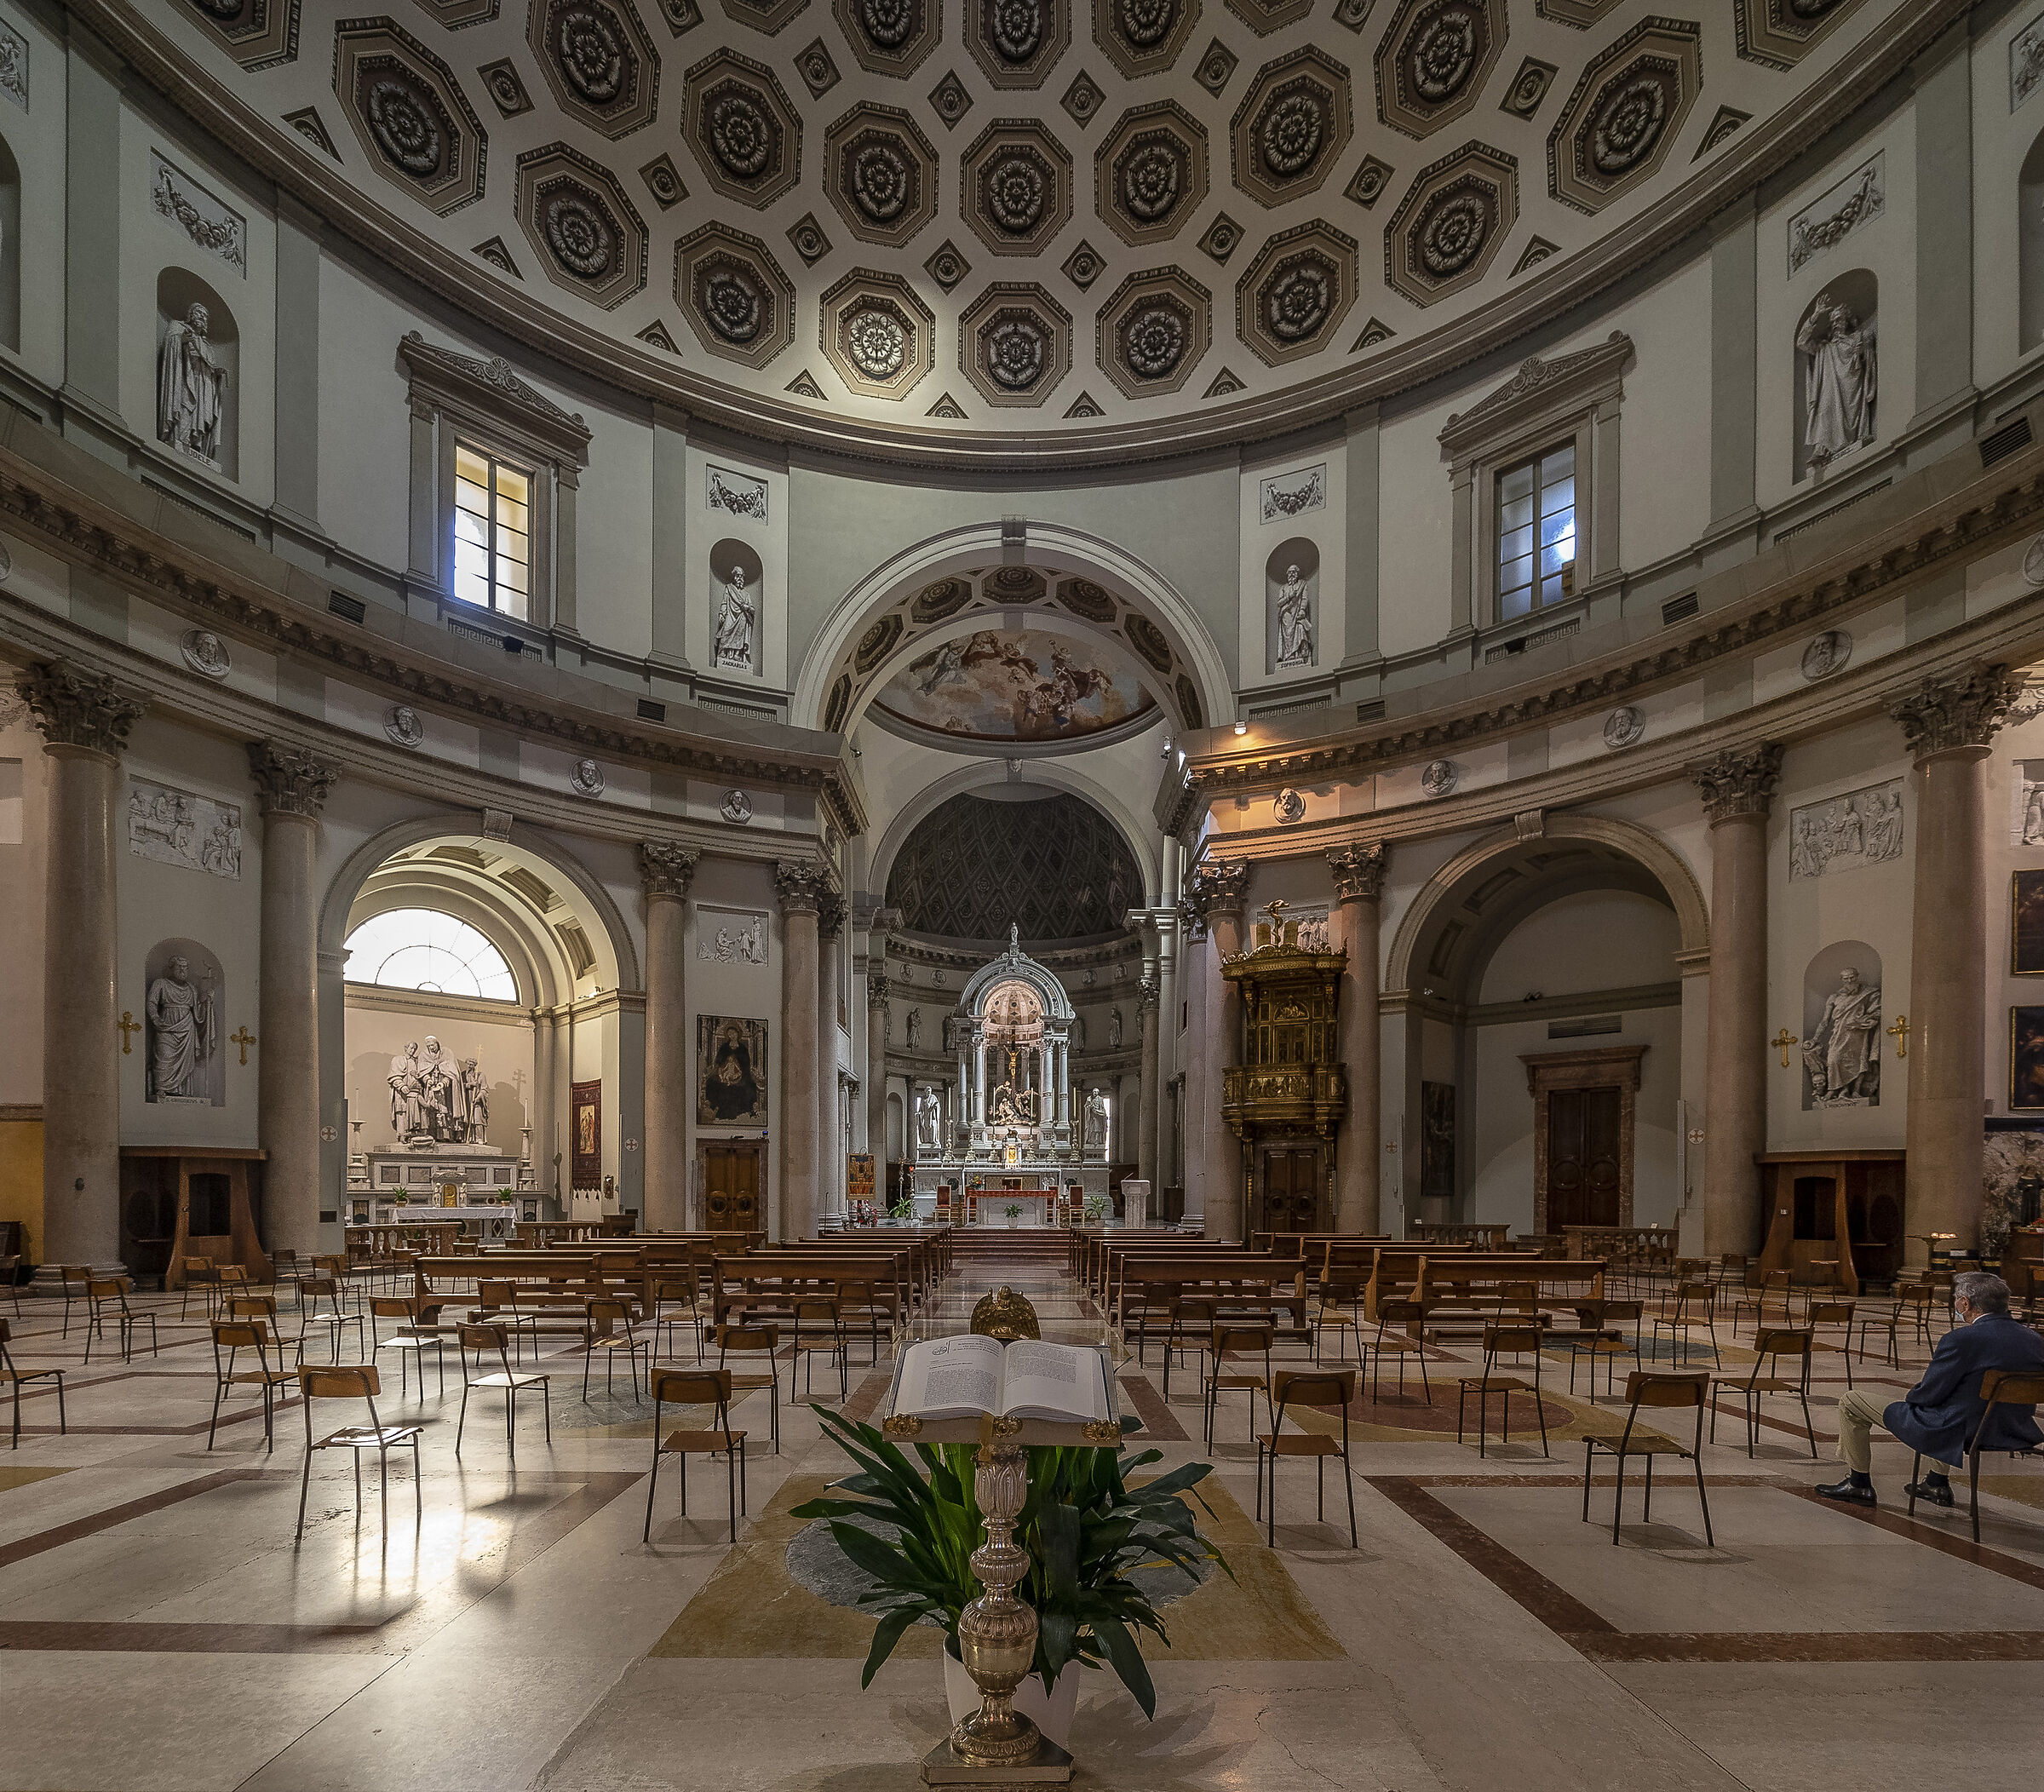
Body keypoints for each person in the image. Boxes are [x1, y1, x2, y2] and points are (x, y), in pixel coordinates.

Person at [1817, 1271, 2044, 1507]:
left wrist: (1912, 1397)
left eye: (1957, 1299)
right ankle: (1936, 1482)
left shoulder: (1961, 1339)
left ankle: (1858, 1483)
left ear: (1965, 1303)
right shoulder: (2034, 1339)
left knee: (1851, 1401)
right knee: (1953, 1404)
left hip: (1962, 1430)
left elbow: (1928, 1394)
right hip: (2011, 1429)